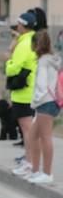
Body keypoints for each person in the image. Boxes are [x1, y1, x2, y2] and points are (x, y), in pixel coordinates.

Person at [24, 30, 60, 184]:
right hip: (50, 102)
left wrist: (36, 101)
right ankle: (36, 170)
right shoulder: (51, 59)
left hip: (45, 102)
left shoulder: (44, 61)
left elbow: (41, 85)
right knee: (32, 136)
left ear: (36, 45)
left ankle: (47, 173)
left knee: (45, 137)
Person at [8, 12, 40, 165]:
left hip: (24, 93)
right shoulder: (33, 40)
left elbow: (13, 69)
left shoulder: (24, 44)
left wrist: (9, 60)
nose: (17, 26)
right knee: (28, 129)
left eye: (19, 23)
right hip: (31, 90)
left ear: (23, 25)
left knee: (27, 130)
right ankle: (29, 161)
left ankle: (30, 162)